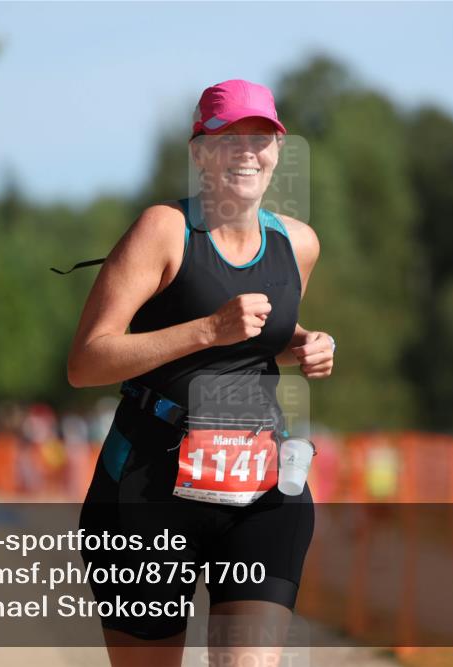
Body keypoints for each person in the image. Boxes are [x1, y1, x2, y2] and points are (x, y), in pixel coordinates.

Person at [68, 79, 335, 667]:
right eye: (229, 136)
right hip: (146, 491)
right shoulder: (163, 230)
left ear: (278, 153)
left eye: (261, 138)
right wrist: (207, 328)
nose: (247, 151)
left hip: (261, 485)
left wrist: (307, 343)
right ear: (199, 152)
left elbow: (260, 337)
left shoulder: (299, 243)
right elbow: (86, 361)